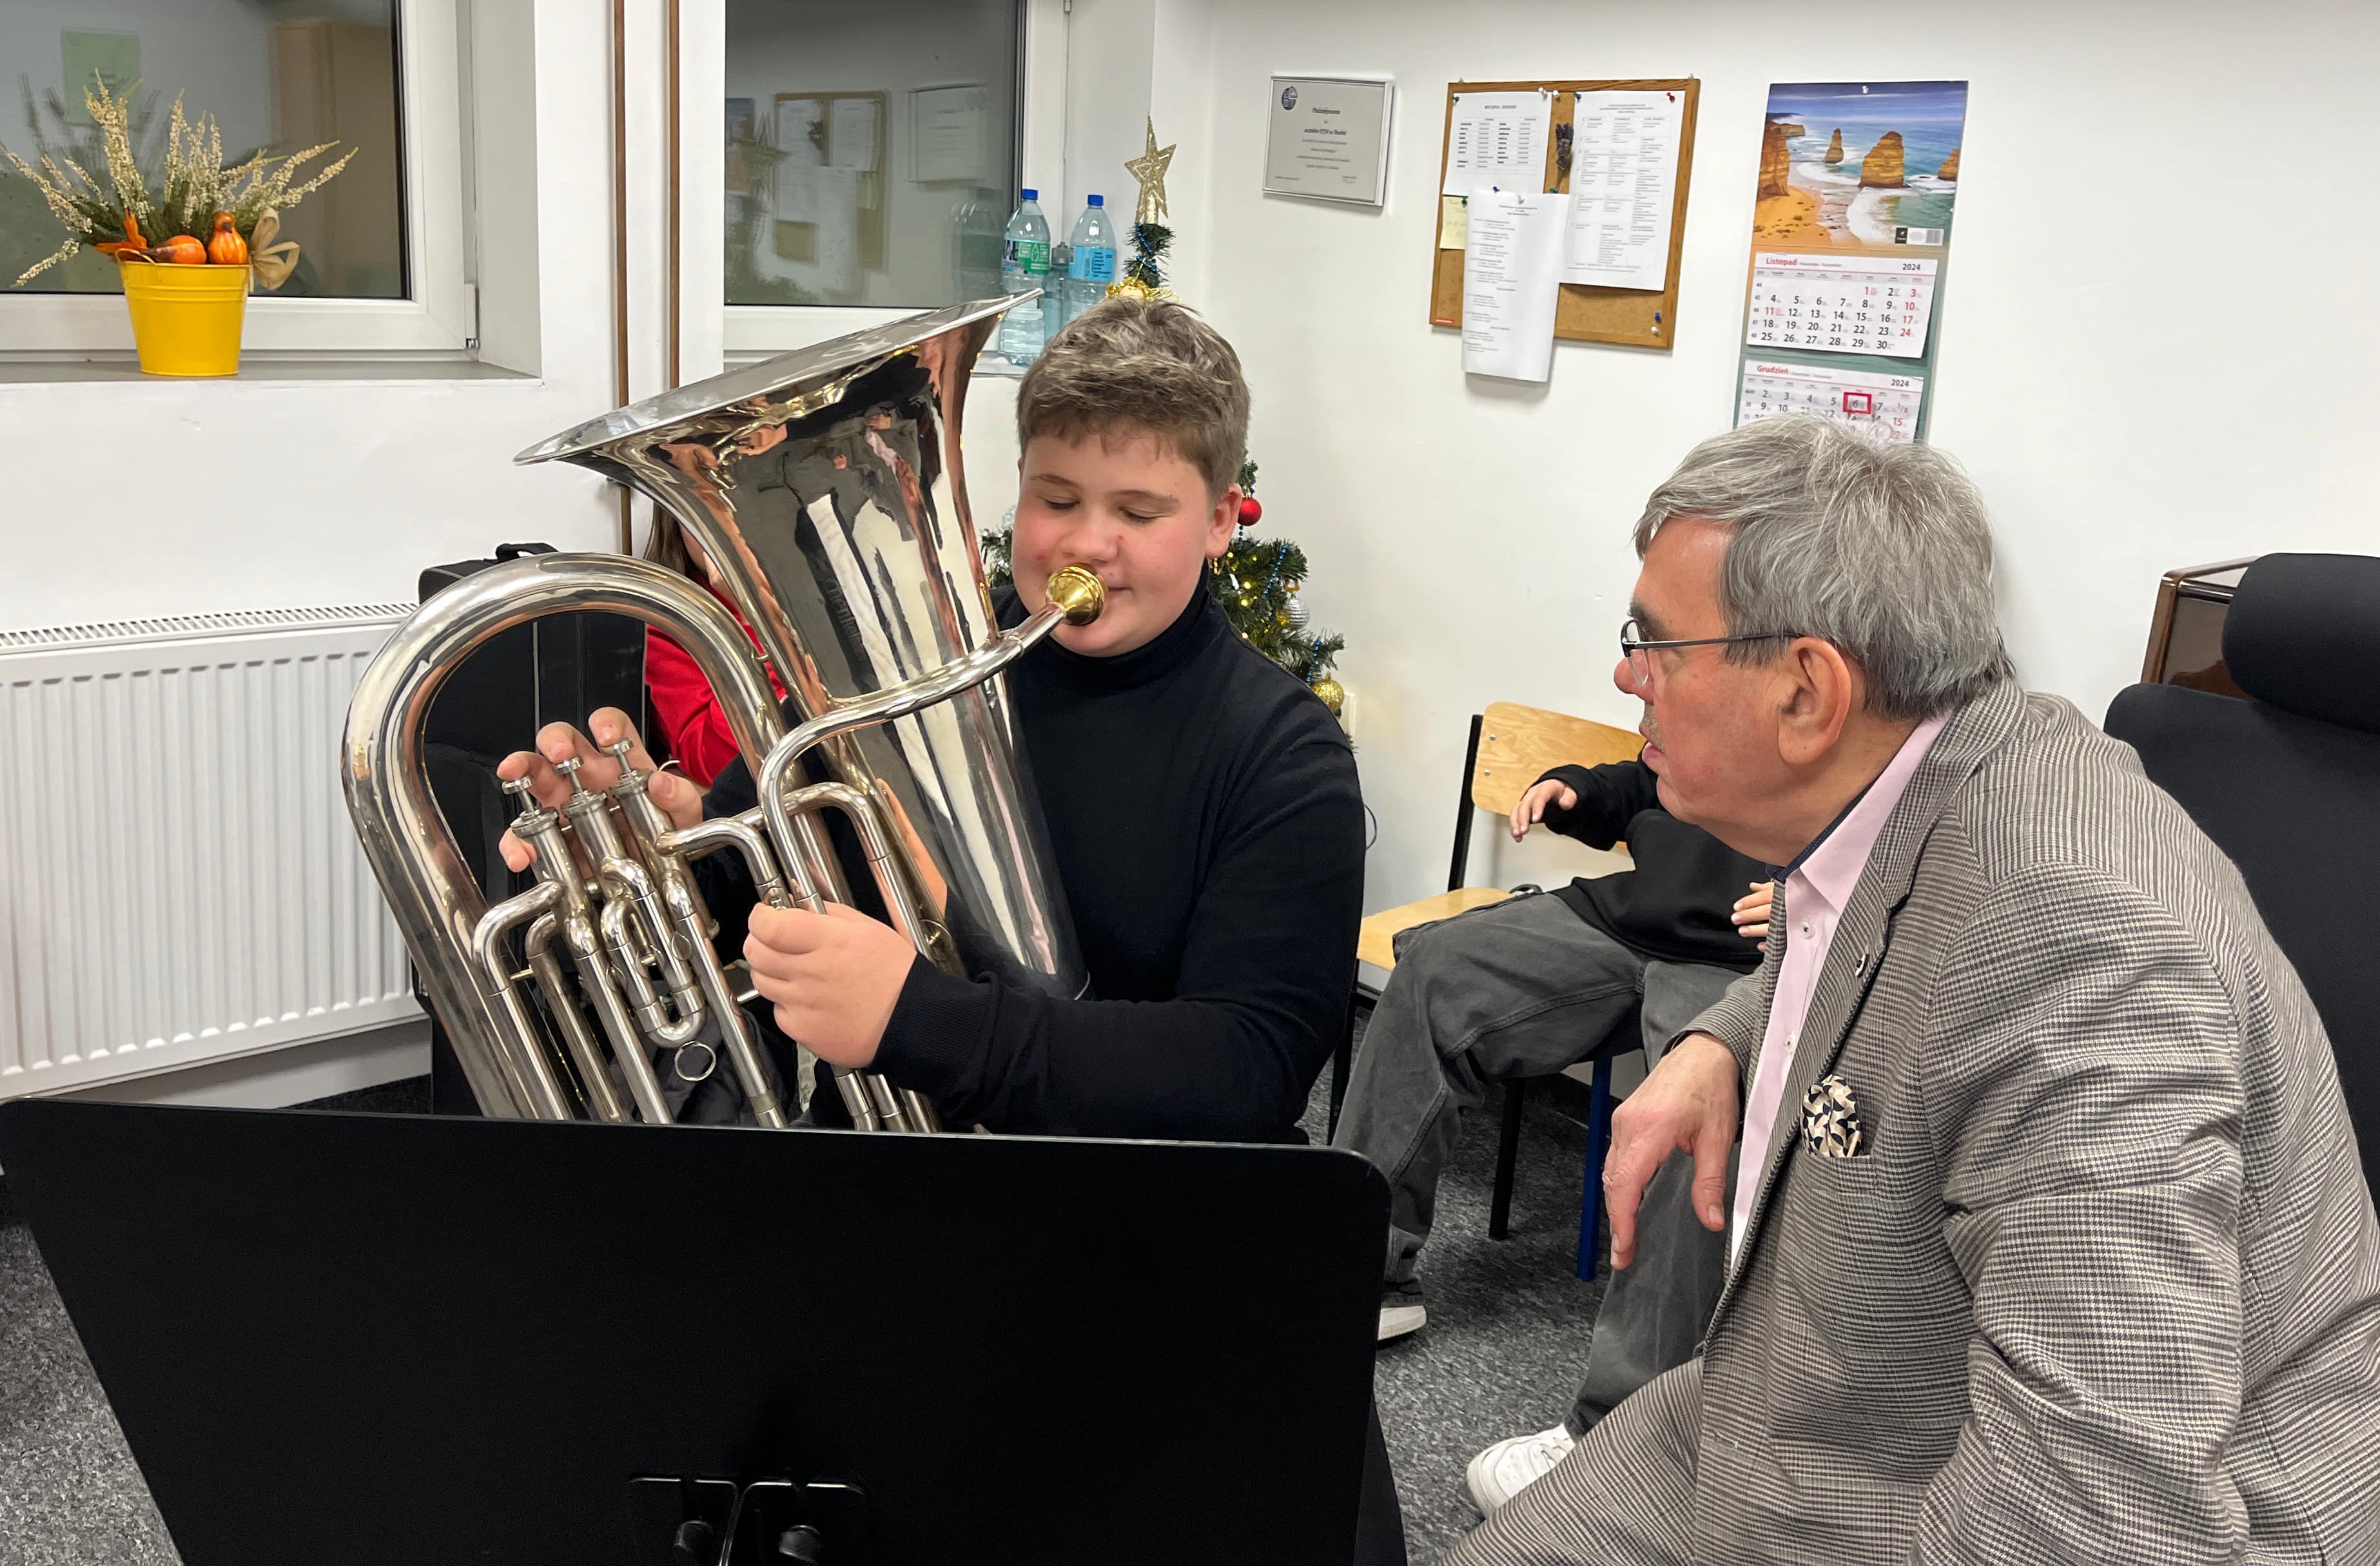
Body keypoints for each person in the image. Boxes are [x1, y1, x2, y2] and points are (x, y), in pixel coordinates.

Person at [1450, 415, 2380, 1566]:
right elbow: (1857, 931)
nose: (1627, 675)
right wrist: (1722, 1037)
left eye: (1656, 643)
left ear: (1807, 691)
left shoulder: (2073, 948)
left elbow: (2102, 1520)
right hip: (1816, 1408)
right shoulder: (1943, 758)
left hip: (2020, 1502)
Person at [497, 298, 1403, 1560]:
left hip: (1153, 1255)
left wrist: (917, 1018)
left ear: (1220, 517)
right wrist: (662, 843)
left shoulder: (1281, 753)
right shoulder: (919, 682)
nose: (1086, 542)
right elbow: (791, 881)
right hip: (917, 1228)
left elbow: (1245, 1066)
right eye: (1055, 497)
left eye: (1140, 511)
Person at [1331, 753, 1771, 1513]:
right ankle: (1360, 1274)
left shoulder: (1890, 718)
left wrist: (1822, 894)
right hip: (1626, 920)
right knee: (1436, 967)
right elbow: (1654, 775)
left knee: (1689, 1120)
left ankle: (1621, 1436)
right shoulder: (1715, 692)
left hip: (1744, 962)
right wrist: (1584, 790)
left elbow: (1898, 853)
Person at [639, 505, 784, 788]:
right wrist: (757, 617)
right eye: (706, 508)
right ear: (675, 519)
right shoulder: (666, 625)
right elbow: (718, 762)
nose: (730, 528)